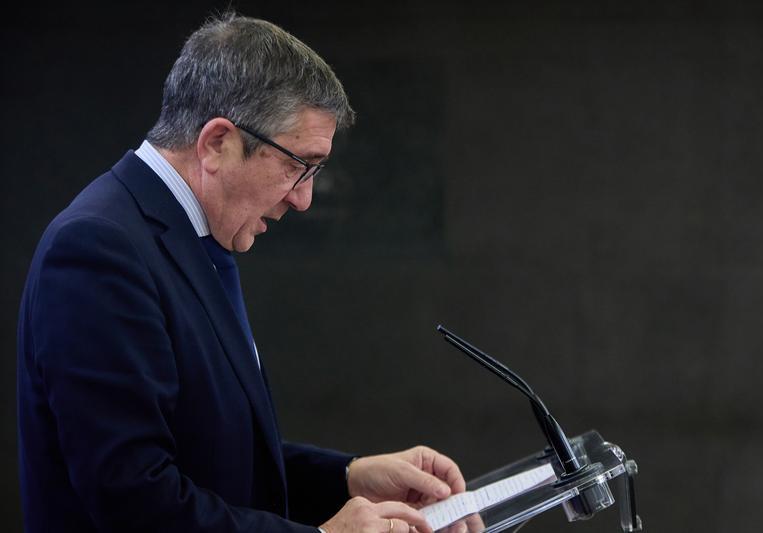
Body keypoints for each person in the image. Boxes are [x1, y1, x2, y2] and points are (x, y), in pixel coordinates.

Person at [17, 13, 466, 533]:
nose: (303, 199)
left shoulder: (192, 234)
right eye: (298, 165)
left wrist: (347, 477)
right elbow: (134, 497)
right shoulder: (98, 248)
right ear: (217, 143)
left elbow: (217, 458)